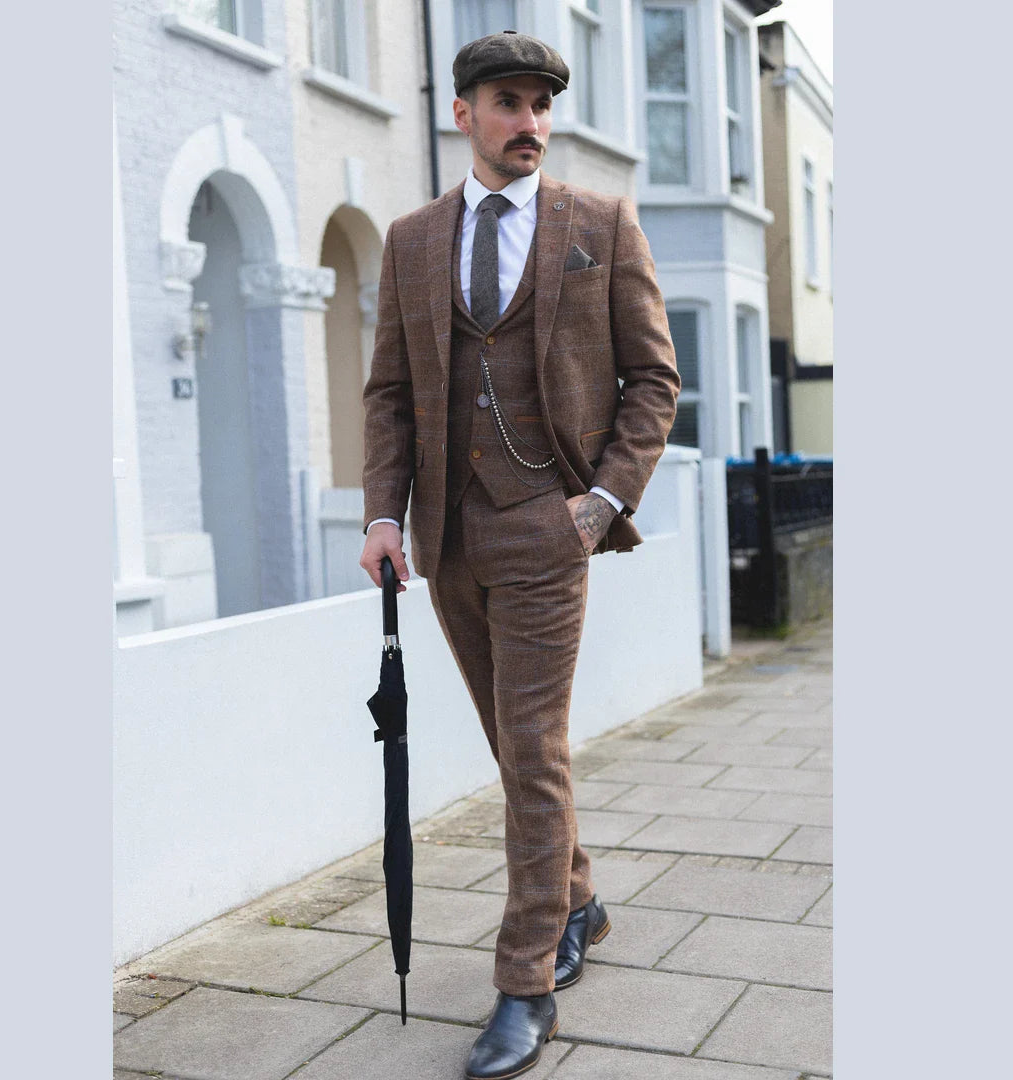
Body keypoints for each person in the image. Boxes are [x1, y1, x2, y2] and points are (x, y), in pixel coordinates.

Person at [358, 29, 680, 1080]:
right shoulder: (412, 240)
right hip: (448, 534)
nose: (531, 123)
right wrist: (386, 517)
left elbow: (653, 381)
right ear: (464, 113)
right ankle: (579, 898)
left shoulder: (600, 223)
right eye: (509, 102)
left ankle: (525, 980)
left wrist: (596, 505)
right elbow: (392, 395)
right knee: (513, 748)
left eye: (542, 105)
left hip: (551, 525)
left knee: (533, 747)